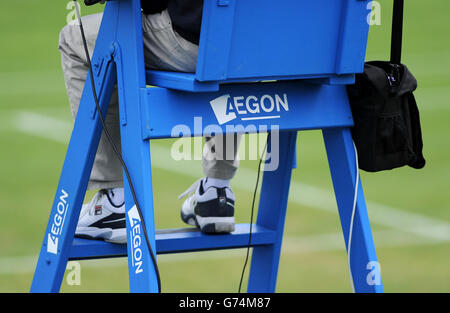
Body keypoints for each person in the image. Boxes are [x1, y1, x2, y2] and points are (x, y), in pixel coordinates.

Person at [59, 0, 241, 243]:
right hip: (267, 49)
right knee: (231, 43)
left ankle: (115, 201)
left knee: (74, 37)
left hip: (195, 40)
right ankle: (217, 190)